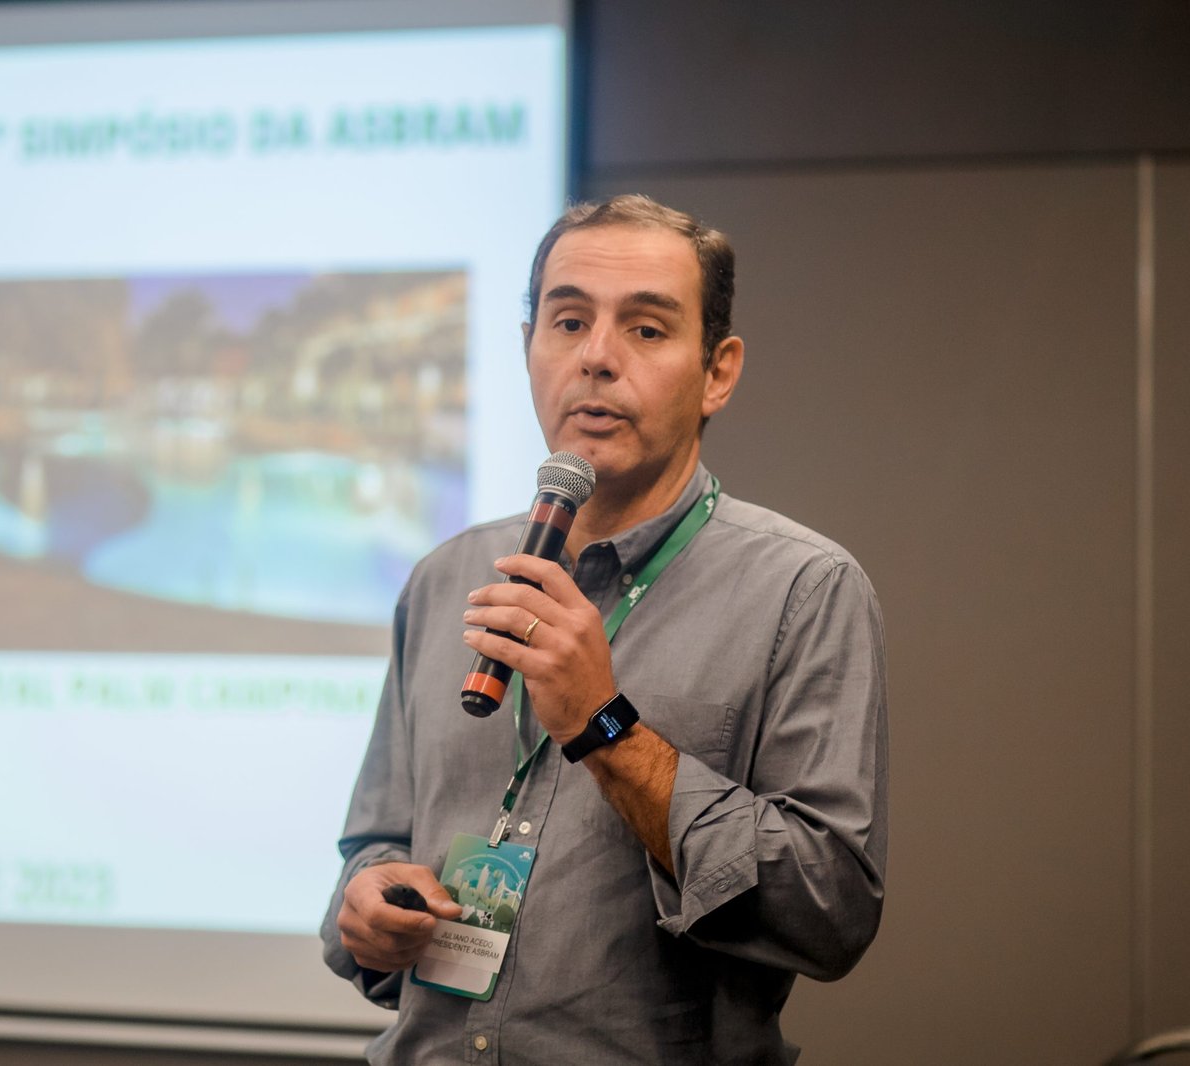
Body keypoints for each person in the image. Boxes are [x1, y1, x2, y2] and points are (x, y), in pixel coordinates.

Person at [322, 194, 888, 1064]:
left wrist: (605, 726)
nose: (595, 357)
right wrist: (368, 898)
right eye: (568, 322)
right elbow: (374, 843)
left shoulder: (803, 591)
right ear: (528, 348)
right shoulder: (446, 576)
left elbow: (830, 911)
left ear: (718, 373)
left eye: (646, 329)